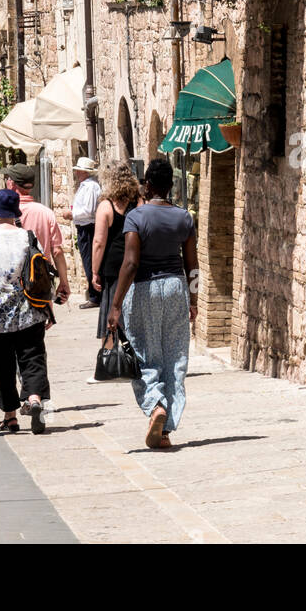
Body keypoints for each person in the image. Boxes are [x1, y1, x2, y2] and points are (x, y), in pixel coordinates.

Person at [107, 157, 198, 450]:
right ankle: (166, 428)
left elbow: (131, 262)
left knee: (145, 353)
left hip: (144, 289)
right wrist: (193, 299)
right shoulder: (184, 217)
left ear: (147, 185)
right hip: (175, 288)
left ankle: (155, 405)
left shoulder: (136, 217)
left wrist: (116, 303)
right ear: (170, 186)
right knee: (175, 357)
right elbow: (192, 265)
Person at [0, 188, 52, 435]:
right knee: (33, 357)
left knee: (3, 364)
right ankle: (35, 399)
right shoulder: (28, 236)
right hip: (30, 309)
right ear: (16, 213)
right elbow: (40, 274)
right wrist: (47, 307)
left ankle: (11, 417)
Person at [0, 163, 71, 305]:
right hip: (38, 288)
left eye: (7, 179)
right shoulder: (46, 213)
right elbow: (57, 251)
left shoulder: (0, 216)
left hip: (8, 289)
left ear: (12, 184)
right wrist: (64, 282)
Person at [92, 162, 141, 339]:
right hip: (135, 265)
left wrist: (94, 271)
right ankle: (134, 361)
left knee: (110, 321)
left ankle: (110, 362)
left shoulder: (106, 206)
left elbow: (98, 242)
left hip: (113, 270)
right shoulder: (139, 202)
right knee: (134, 322)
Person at [59, 156, 101, 307]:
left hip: (88, 227)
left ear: (84, 172)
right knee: (88, 260)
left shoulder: (90, 187)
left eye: (78, 171)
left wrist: (72, 214)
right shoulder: (87, 186)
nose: (76, 173)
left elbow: (88, 211)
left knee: (90, 261)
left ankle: (95, 297)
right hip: (85, 227)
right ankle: (94, 294)